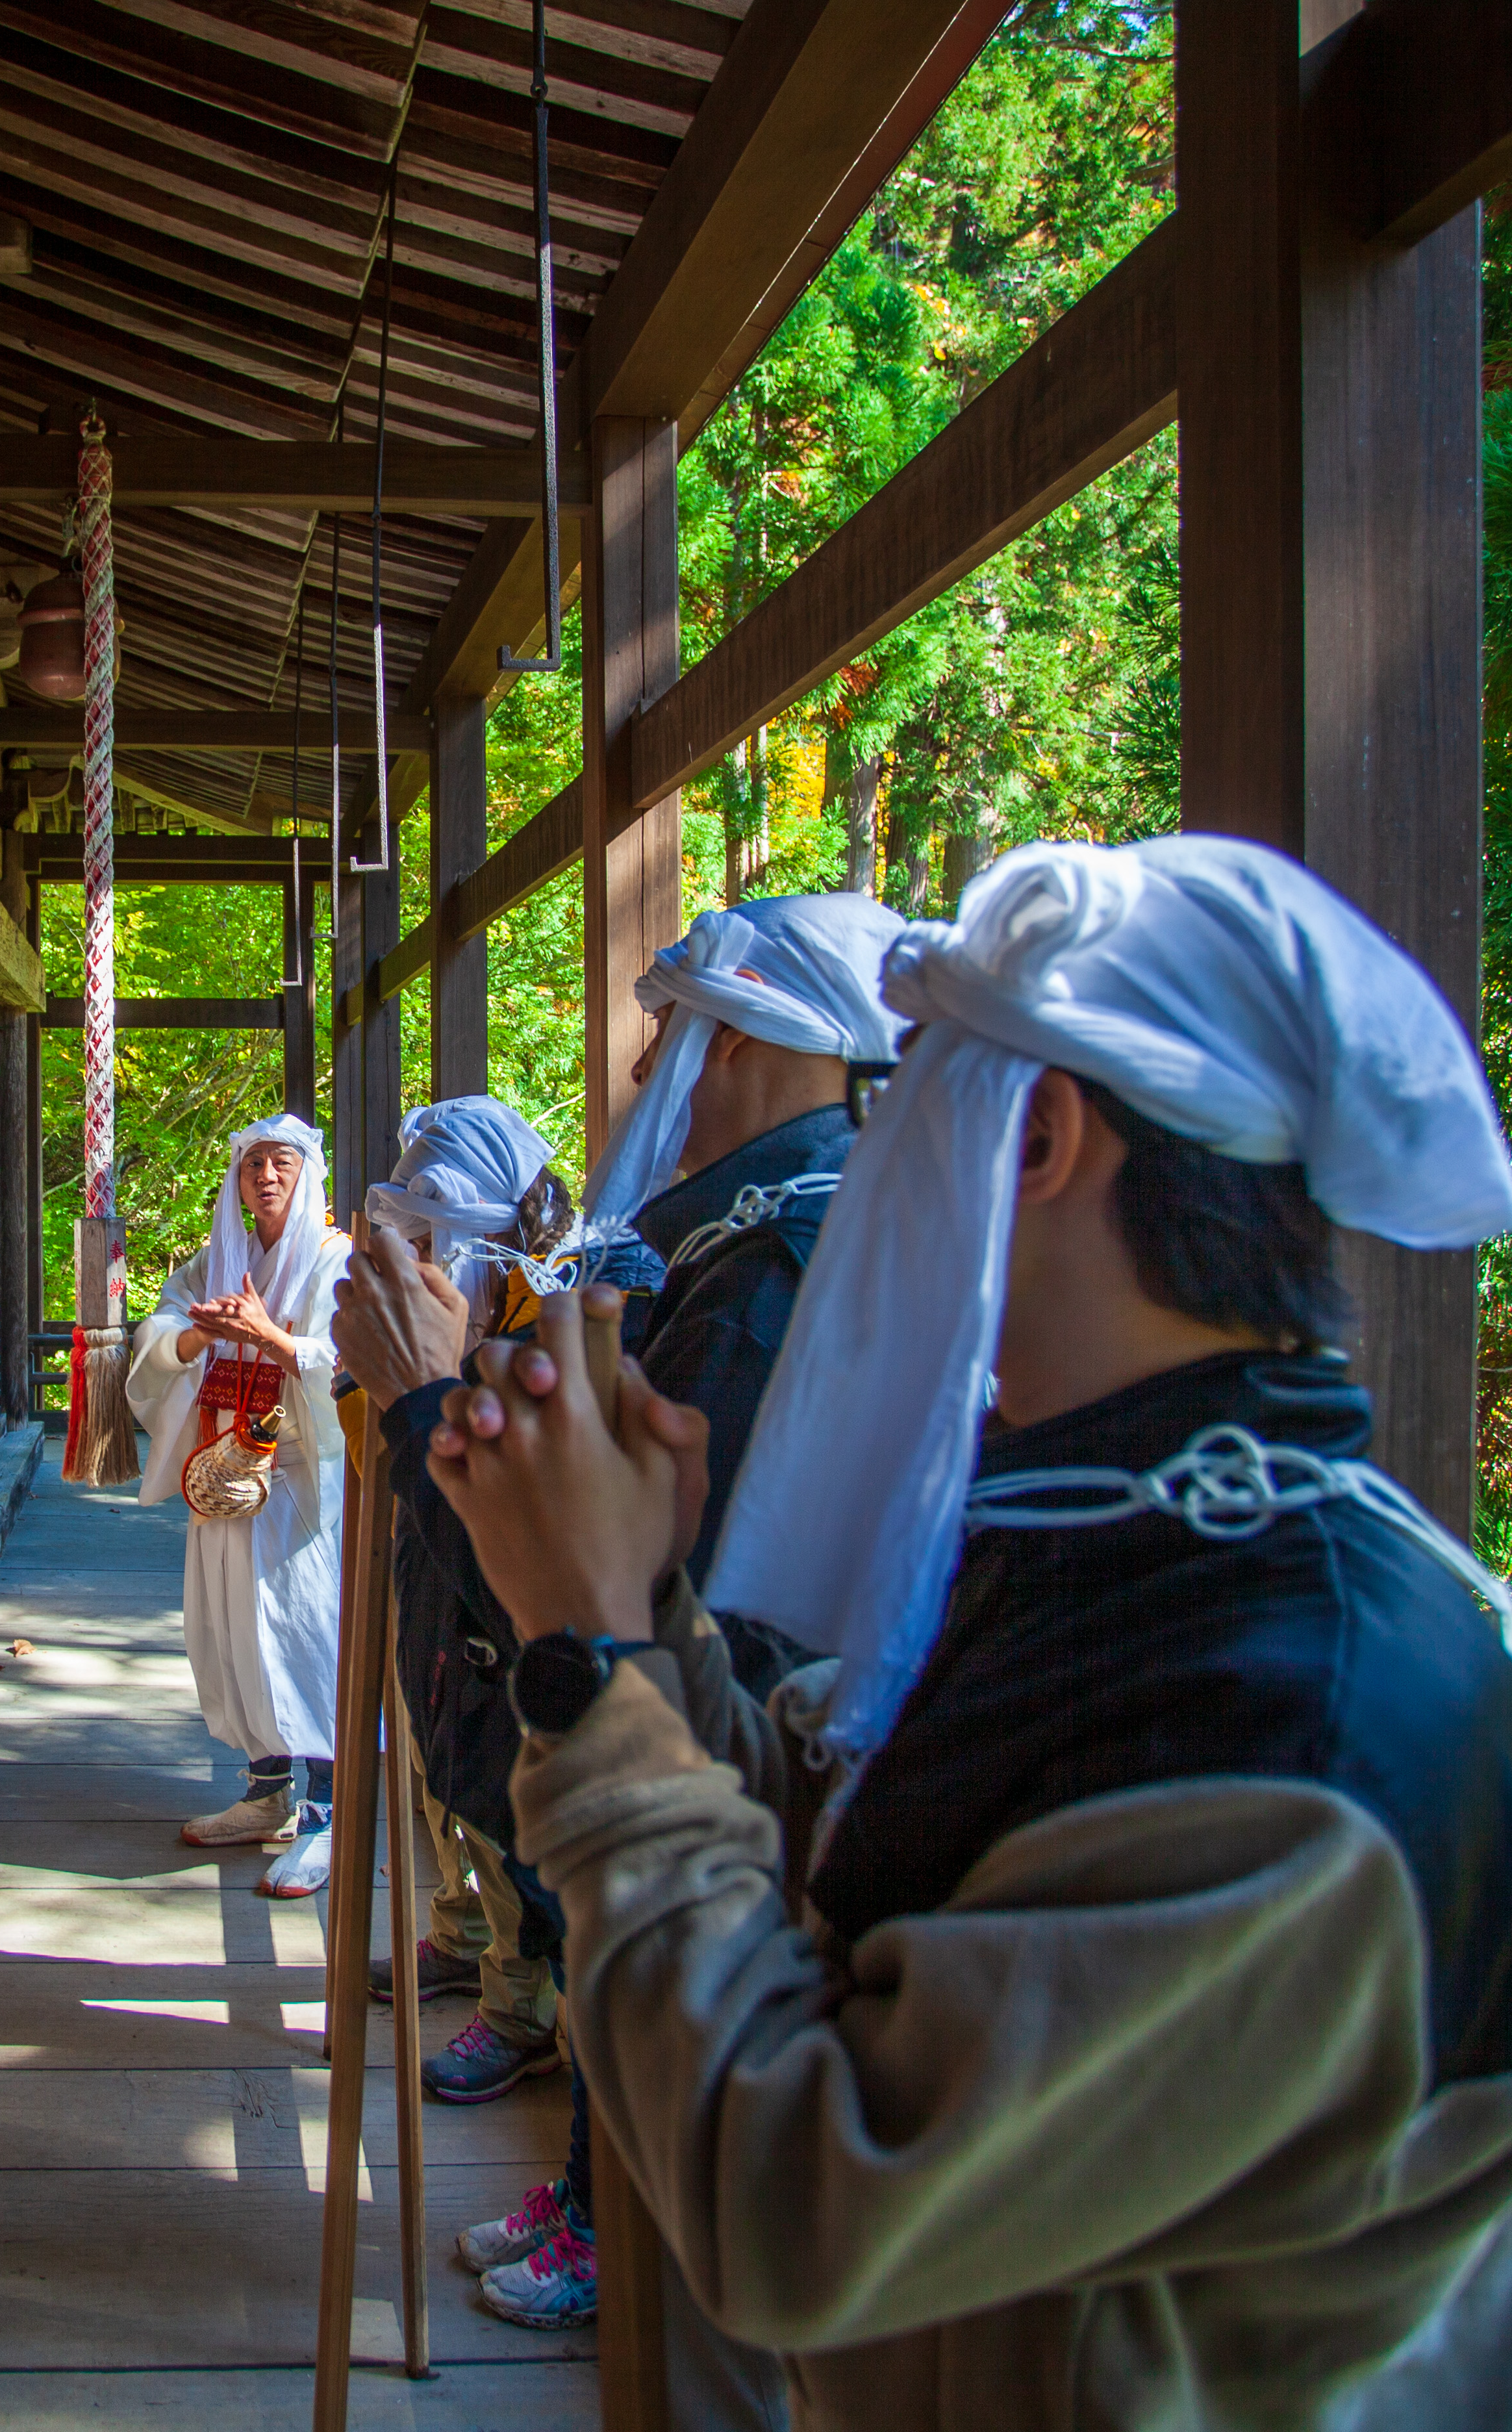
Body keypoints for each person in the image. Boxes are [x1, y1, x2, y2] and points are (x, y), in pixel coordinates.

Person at [426, 838, 1512, 2430]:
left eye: (908, 1099)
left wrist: (589, 1643)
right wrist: (643, 1607)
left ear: (1034, 1134)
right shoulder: (1139, 1534)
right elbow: (865, 1841)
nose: (874, 1141)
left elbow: (795, 2204)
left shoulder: (1285, 1722)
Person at [333, 893, 903, 2350]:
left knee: (637, 1962)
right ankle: (598, 2191)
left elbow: (638, 1599)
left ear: (757, 1034)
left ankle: (627, 2227)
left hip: (721, 1767)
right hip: (704, 1749)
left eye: (673, 1025)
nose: (649, 1067)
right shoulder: (728, 1244)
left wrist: (425, 1408)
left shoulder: (774, 1264)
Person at [338, 1098, 581, 2103]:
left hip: (500, 1618)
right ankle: (457, 1936)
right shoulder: (448, 1331)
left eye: (440, 1239)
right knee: (436, 1782)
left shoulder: (554, 1331)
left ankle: (516, 2008)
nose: (426, 1260)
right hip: (427, 1587)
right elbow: (376, 1449)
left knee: (497, 1807)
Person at [131, 1114, 356, 1899]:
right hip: (222, 1470)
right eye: (253, 1162)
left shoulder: (335, 1260)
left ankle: (330, 1817)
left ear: (308, 1174)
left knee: (304, 1642)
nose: (265, 1175)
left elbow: (345, 1358)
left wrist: (272, 1337)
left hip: (296, 1477)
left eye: (282, 1163)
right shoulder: (215, 1259)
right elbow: (159, 1325)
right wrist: (192, 1342)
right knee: (229, 1634)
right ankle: (267, 1793)